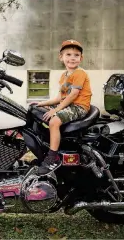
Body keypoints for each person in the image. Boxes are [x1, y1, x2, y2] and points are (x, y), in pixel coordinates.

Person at [36, 39, 92, 175]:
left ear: (81, 58)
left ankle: (53, 157)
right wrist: (41, 104)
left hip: (79, 106)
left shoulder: (80, 73)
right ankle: (44, 146)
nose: (72, 58)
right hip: (69, 104)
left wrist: (56, 110)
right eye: (68, 54)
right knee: (37, 112)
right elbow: (60, 97)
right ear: (61, 57)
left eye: (76, 55)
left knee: (54, 121)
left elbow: (73, 95)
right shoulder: (64, 76)